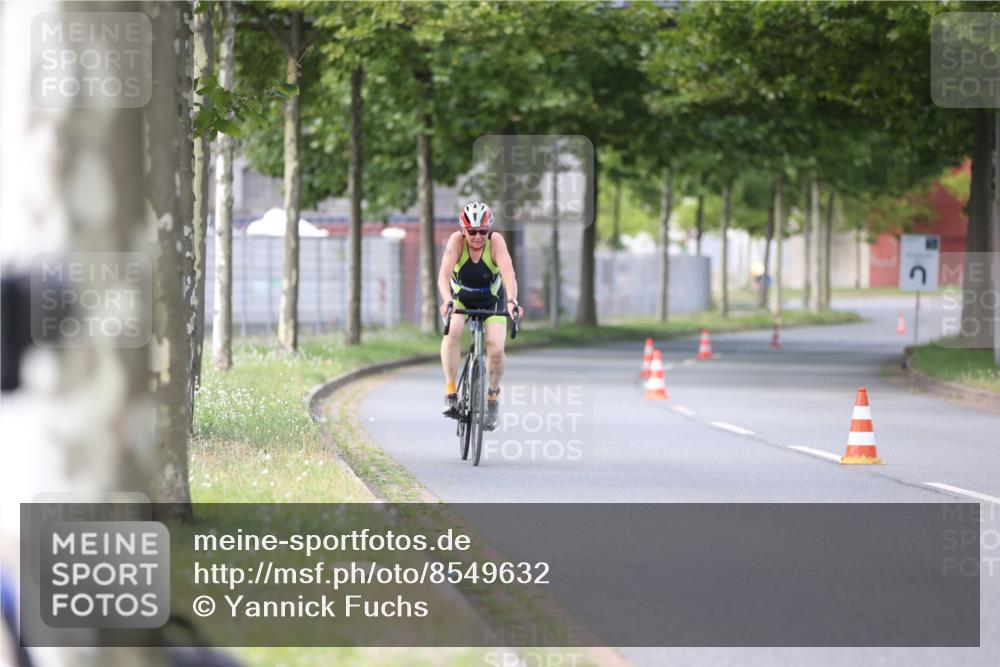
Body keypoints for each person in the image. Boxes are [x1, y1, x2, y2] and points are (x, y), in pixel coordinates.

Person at [438, 202, 522, 431]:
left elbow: (509, 275)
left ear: (489, 230)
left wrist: (513, 301)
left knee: (495, 350)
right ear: (463, 230)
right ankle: (451, 392)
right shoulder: (456, 241)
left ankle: (493, 397)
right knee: (452, 330)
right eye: (472, 231)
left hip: (491, 300)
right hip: (461, 299)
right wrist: (447, 301)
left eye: (483, 232)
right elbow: (443, 276)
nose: (477, 236)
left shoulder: (496, 243)